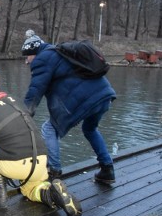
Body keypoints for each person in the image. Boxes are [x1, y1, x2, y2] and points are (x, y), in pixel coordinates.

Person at [0, 73, 82, 216]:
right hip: (40, 160)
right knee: (31, 190)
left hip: (15, 165)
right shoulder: (13, 100)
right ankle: (51, 194)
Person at [22, 31, 116, 184]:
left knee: (49, 128)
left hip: (85, 99)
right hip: (104, 95)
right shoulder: (59, 52)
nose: (26, 62)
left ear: (33, 53)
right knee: (90, 129)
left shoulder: (42, 59)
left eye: (27, 57)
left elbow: (35, 90)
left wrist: (25, 114)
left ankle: (54, 172)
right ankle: (107, 169)